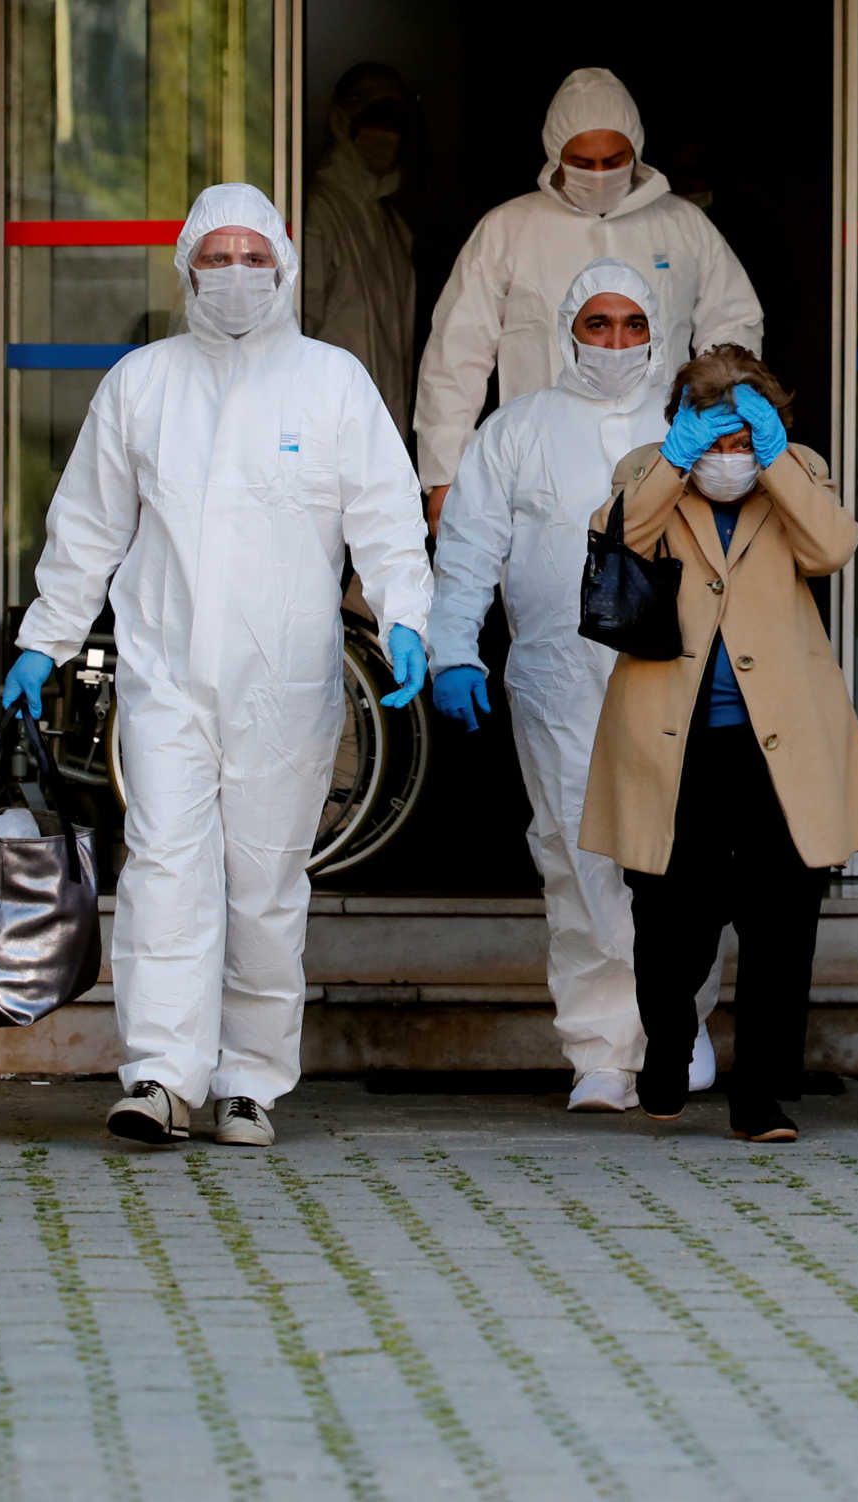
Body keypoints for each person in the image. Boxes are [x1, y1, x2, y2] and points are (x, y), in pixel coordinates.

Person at [2, 183, 432, 1150]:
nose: (235, 276)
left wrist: (407, 618)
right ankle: (160, 1073)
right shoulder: (142, 384)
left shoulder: (331, 383)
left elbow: (387, 516)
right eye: (216, 256)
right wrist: (47, 637)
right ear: (187, 267)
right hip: (165, 677)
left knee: (268, 880)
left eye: (252, 257)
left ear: (282, 265)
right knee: (163, 868)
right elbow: (87, 525)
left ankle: (249, 1081)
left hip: (288, 682)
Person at [429, 257, 725, 1114]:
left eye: (633, 325)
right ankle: (600, 1048)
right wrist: (454, 649)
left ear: (657, 330)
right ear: (568, 330)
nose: (616, 342)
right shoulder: (517, 428)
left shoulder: (691, 425)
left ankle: (677, 1024)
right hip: (557, 677)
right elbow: (471, 551)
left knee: (680, 856)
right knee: (576, 857)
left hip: (675, 672)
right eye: (597, 325)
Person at [578, 347, 858, 1141]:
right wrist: (677, 461)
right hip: (672, 740)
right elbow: (617, 542)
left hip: (779, 743)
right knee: (668, 918)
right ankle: (668, 1048)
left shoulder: (797, 468)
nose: (727, 458)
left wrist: (775, 458)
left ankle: (761, 1095)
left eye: (739, 438)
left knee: (783, 920)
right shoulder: (649, 467)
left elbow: (831, 549)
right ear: (684, 421)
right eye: (712, 436)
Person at [411, 67, 764, 528]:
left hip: (664, 466)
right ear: (555, 155)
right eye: (583, 162)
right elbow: (457, 354)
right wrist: (445, 476)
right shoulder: (508, 230)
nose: (599, 175)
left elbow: (732, 328)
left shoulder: (682, 227)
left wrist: (718, 437)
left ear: (635, 151)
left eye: (613, 160)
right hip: (536, 472)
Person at [301, 63, 418, 437]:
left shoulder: (392, 226)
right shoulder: (318, 213)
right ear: (342, 120)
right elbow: (296, 329)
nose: (386, 133)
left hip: (383, 436)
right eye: (375, 118)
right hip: (326, 431)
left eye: (395, 121)